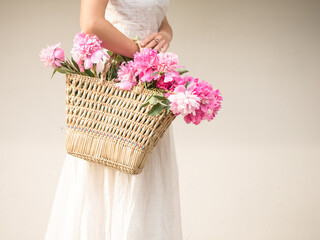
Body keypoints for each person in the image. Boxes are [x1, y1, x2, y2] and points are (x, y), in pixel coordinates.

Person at [44, 0, 183, 239]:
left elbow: (159, 17)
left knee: (142, 165)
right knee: (108, 163)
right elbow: (91, 22)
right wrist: (140, 54)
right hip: (118, 80)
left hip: (146, 82)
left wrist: (164, 35)